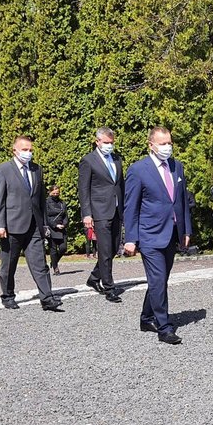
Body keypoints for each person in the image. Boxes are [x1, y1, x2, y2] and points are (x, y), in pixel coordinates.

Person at [122, 126, 192, 345]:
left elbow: (182, 202)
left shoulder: (177, 167)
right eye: (163, 144)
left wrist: (186, 230)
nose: (167, 147)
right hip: (149, 234)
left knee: (159, 280)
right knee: (158, 279)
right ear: (151, 145)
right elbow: (130, 207)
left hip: (172, 233)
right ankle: (164, 327)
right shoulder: (138, 170)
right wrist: (130, 238)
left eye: (169, 142)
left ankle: (146, 318)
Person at [0, 135, 62, 312]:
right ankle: (8, 296)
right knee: (9, 264)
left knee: (40, 263)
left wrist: (45, 224)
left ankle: (47, 298)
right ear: (14, 150)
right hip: (12, 226)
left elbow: (39, 200)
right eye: (24, 149)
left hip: (34, 226)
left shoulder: (37, 170)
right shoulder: (4, 170)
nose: (28, 153)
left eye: (30, 150)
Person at [78, 127, 125, 303]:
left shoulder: (117, 159)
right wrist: (87, 214)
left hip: (116, 209)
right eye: (106, 143)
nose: (109, 146)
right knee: (104, 250)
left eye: (111, 143)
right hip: (99, 211)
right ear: (97, 141)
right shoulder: (88, 161)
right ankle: (109, 287)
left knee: (113, 248)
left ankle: (93, 278)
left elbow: (120, 185)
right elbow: (83, 190)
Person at [45, 185, 69, 275]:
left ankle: (54, 261)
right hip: (52, 228)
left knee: (63, 248)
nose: (56, 194)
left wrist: (64, 224)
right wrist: (55, 225)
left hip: (62, 228)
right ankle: (55, 268)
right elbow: (46, 216)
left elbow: (65, 215)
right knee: (53, 250)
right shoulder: (46, 202)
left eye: (57, 193)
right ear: (50, 192)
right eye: (54, 193)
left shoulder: (62, 203)